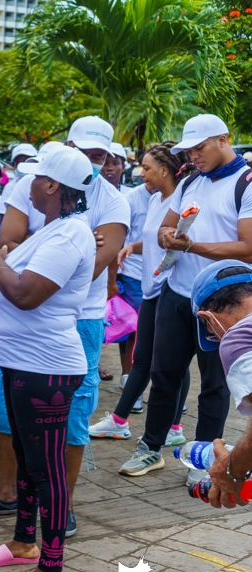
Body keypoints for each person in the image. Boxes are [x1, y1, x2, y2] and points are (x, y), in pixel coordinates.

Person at [0, 145, 95, 572]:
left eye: (33, 178)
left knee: (47, 469)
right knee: (30, 461)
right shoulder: (50, 230)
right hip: (21, 361)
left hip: (45, 367)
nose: (23, 184)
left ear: (51, 186)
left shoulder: (69, 236)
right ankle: (25, 542)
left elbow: (27, 294)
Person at [120, 114, 252, 476]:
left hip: (225, 303)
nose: (193, 156)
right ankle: (151, 447)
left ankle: (207, 457)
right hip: (178, 294)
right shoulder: (191, 181)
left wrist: (192, 246)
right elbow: (167, 224)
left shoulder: (246, 182)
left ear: (223, 140)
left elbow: (248, 248)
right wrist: (167, 237)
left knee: (215, 385)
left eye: (199, 147)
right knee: (164, 375)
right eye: (188, 150)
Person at [91, 143, 192, 448]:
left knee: (171, 363)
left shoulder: (181, 201)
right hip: (151, 290)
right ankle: (121, 421)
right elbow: (156, 240)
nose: (141, 173)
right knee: (143, 359)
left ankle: (172, 426)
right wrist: (132, 248)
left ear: (164, 170)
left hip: (168, 290)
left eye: (147, 168)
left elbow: (178, 244)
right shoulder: (158, 200)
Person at [61, 117, 129, 534]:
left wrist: (37, 256)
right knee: (13, 405)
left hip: (82, 316)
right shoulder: (40, 184)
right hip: (26, 316)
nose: (90, 162)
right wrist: (82, 244)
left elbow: (94, 270)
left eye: (98, 155)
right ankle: (11, 492)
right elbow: (8, 241)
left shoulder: (113, 200)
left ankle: (62, 501)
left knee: (77, 404)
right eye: (83, 152)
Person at [191, 262, 252, 508]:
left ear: (207, 317)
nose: (216, 338)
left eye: (209, 330)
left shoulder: (238, 337)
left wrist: (232, 472)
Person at [104, 142, 146, 390]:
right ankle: (129, 379)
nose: (110, 168)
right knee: (130, 328)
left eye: (115, 163)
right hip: (129, 273)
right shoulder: (130, 199)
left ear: (123, 166)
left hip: (159, 274)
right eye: (106, 162)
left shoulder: (129, 193)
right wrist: (113, 278)